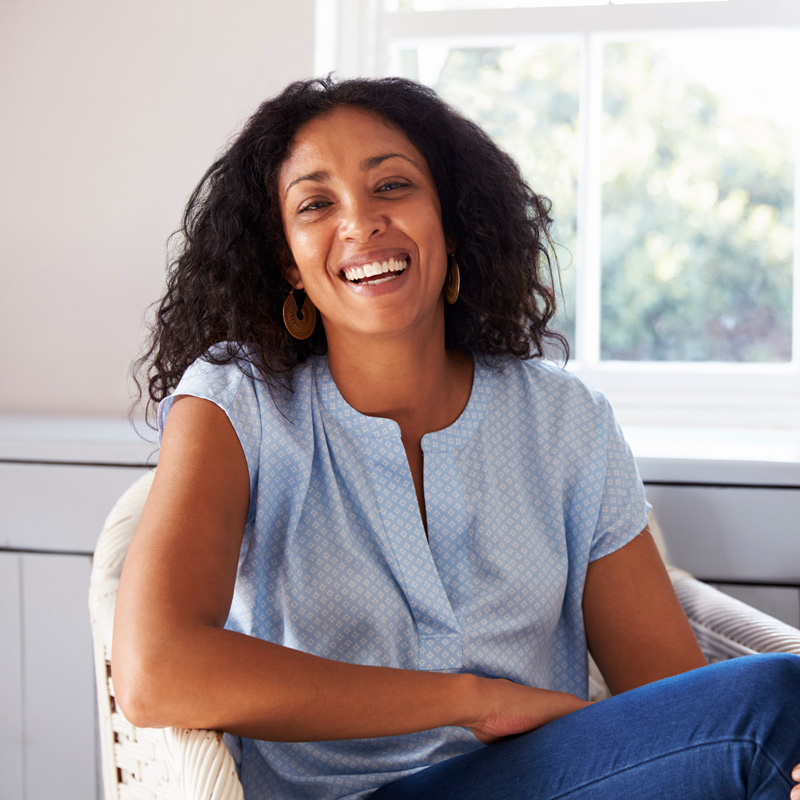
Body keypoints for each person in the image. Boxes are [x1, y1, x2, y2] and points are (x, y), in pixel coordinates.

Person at [113, 75, 800, 799]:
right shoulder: (237, 401)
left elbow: (682, 707)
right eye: (316, 204)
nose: (361, 223)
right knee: (774, 700)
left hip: (557, 782)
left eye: (392, 186)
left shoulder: (564, 420)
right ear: (288, 260)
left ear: (450, 216)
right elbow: (155, 671)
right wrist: (474, 700)